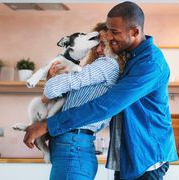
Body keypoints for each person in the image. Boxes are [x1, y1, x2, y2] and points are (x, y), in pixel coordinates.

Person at [23, 1, 178, 179]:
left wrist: (48, 125)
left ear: (135, 32)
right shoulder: (125, 58)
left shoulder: (150, 64)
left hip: (146, 157)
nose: (109, 37)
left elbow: (106, 106)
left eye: (114, 32)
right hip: (129, 158)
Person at [43, 22, 125, 180]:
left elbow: (50, 90)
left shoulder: (107, 64)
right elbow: (55, 97)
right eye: (96, 45)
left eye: (104, 44)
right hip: (74, 145)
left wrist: (51, 81)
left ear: (113, 44)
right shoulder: (96, 69)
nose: (99, 50)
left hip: (73, 145)